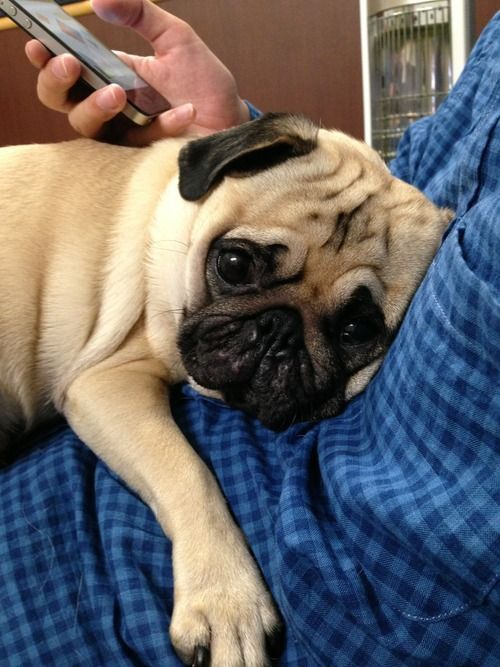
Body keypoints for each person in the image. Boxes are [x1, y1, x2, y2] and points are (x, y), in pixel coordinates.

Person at [1, 1, 498, 664]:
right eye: (239, 267)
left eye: (350, 327)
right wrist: (234, 127)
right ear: (211, 181)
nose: (271, 343)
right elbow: (97, 382)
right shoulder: (218, 199)